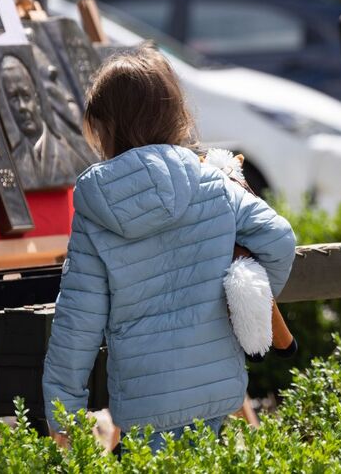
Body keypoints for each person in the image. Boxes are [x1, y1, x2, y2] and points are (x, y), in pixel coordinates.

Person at [42, 42, 296, 452]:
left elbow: (77, 322)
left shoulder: (96, 206)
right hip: (217, 390)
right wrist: (243, 291)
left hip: (144, 403)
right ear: (176, 114)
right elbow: (280, 238)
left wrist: (65, 414)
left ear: (103, 128)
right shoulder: (213, 183)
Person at [0, 54, 81, 189]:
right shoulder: (14, 160)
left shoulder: (70, 156)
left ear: (37, 100)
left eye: (26, 96)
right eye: (14, 99)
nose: (22, 107)